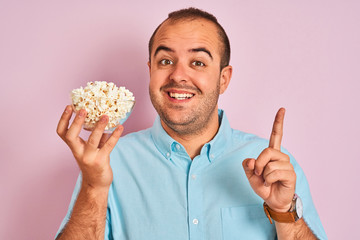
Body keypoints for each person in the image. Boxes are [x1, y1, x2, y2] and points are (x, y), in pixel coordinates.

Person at [55, 7, 327, 240]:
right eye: (165, 61)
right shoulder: (106, 163)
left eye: (197, 62)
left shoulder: (273, 166)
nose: (178, 75)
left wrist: (283, 212)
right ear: (150, 71)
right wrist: (94, 187)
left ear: (224, 78)